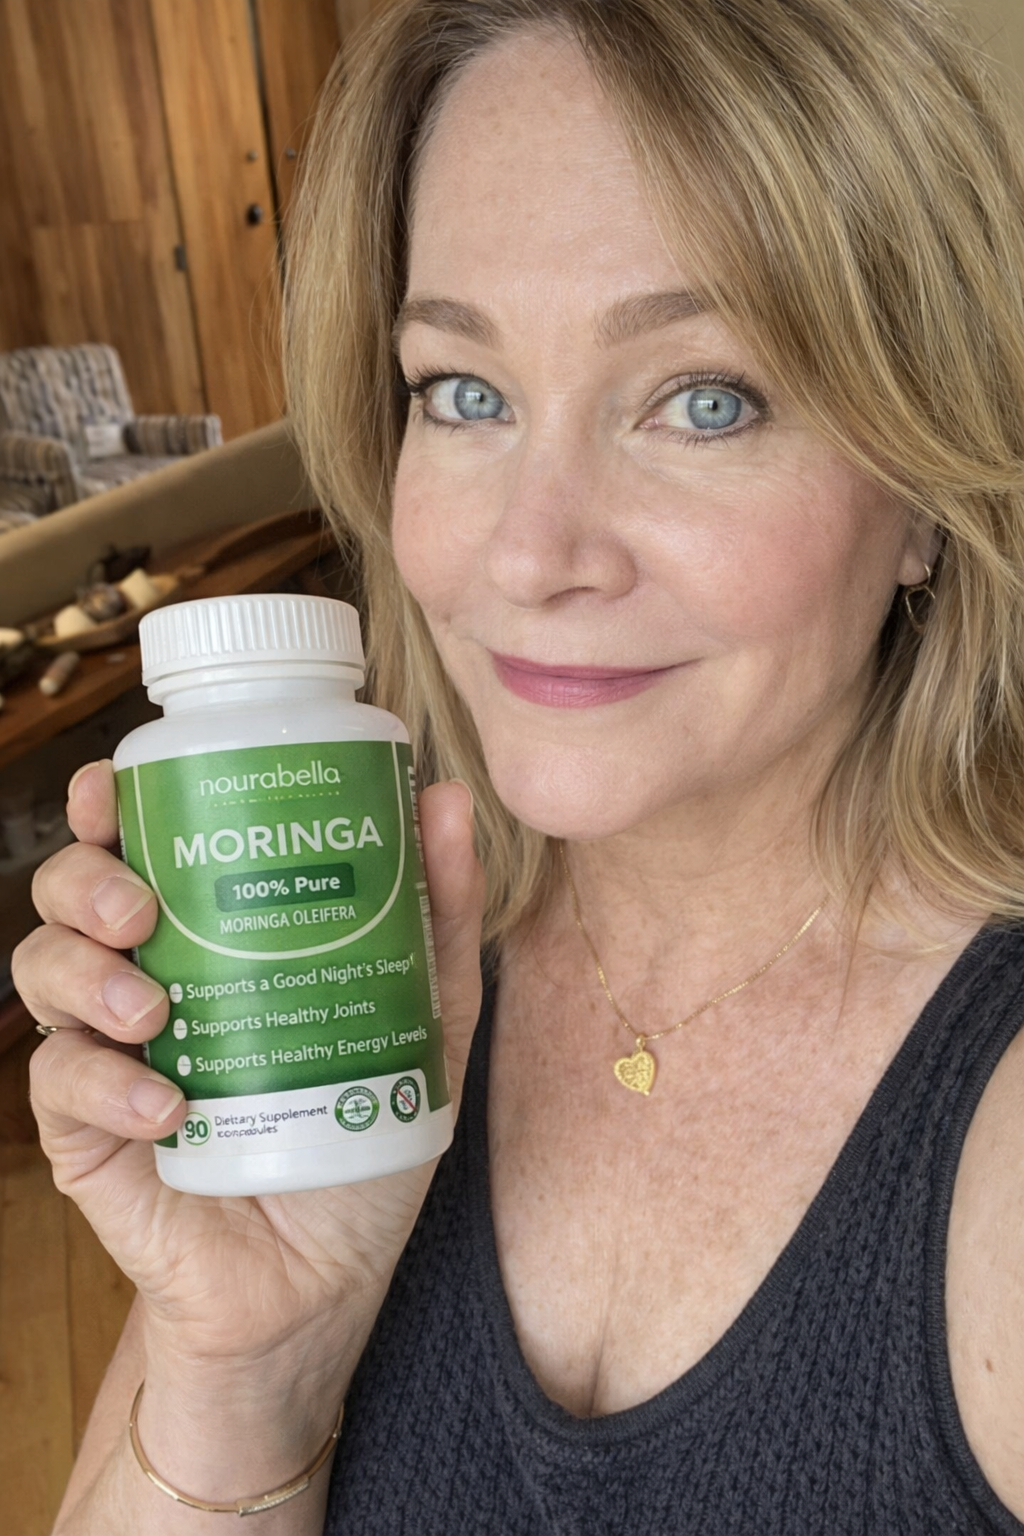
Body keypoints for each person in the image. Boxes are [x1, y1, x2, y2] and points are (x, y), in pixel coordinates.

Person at [18, 0, 1024, 1530]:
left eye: (705, 400)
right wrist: (245, 1373)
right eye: (464, 393)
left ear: (925, 497)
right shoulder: (340, 993)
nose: (529, 553)